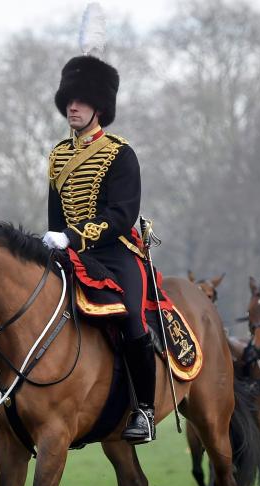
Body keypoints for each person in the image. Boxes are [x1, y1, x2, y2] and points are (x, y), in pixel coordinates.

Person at [43, 53, 155, 444]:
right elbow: (56, 216)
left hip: (115, 252)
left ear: (99, 107)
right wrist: (55, 241)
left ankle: (144, 410)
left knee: (133, 322)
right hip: (68, 253)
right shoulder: (58, 156)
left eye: (82, 100)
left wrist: (73, 237)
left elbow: (122, 215)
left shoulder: (119, 153)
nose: (73, 106)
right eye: (69, 100)